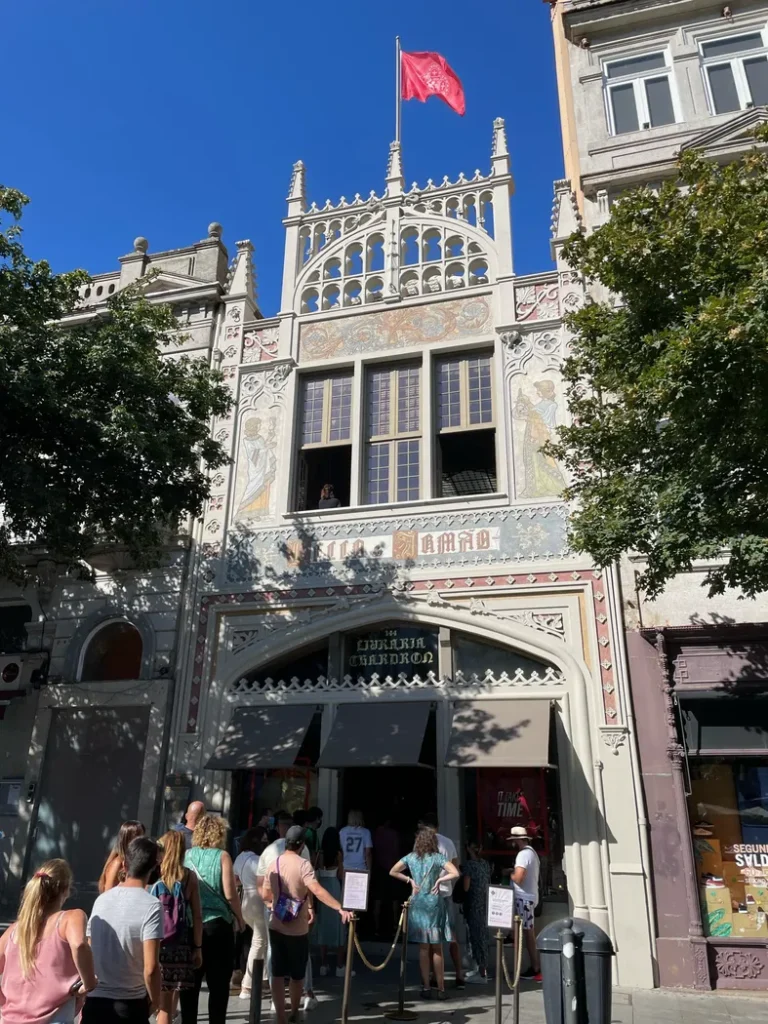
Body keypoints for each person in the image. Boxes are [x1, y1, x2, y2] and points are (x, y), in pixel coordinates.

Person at [261, 827, 352, 1024]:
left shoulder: (274, 863)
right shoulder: (304, 865)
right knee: (296, 974)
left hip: (276, 924)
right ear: (302, 845)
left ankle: (281, 1016)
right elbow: (317, 890)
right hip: (298, 928)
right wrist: (339, 907)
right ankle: (294, 1010)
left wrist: (276, 903)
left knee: (276, 973)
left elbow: (266, 895)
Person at [0, 859, 98, 1024]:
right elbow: (80, 945)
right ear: (66, 889)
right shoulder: (70, 918)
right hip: (53, 1019)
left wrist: (4, 1001)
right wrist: (89, 983)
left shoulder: (15, 930)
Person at [84, 837, 164, 1024]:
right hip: (130, 1003)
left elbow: (90, 947)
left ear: (124, 865)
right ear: (155, 867)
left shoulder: (101, 900)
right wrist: (155, 1000)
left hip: (95, 1002)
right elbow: (151, 968)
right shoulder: (152, 905)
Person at [181, 815, 245, 1024]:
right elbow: (229, 893)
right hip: (218, 925)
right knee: (218, 986)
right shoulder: (223, 856)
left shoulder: (187, 856)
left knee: (190, 985)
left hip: (191, 925)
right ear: (219, 834)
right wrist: (240, 917)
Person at [390, 828, 459, 1000]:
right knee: (437, 948)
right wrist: (440, 880)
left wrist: (410, 880)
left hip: (418, 903)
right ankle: (441, 988)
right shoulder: (437, 858)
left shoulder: (411, 858)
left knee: (423, 948)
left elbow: (393, 871)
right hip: (434, 904)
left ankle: (426, 986)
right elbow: (455, 872)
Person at [256, 812, 315, 1013]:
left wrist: (271, 904)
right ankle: (306, 995)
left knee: (275, 958)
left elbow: (261, 884)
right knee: (301, 959)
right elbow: (309, 884)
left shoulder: (269, 852)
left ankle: (277, 1005)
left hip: (274, 911)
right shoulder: (303, 853)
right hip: (297, 913)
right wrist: (310, 907)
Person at [149, 831, 203, 1024]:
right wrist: (198, 948)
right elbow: (197, 915)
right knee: (168, 1002)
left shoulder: (154, 873)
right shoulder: (188, 877)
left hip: (154, 941)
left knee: (153, 999)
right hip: (180, 943)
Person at [419, 813, 465, 988]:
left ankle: (432, 976)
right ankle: (459, 974)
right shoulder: (448, 842)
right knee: (451, 935)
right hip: (445, 892)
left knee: (430, 938)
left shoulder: (422, 843)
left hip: (429, 895)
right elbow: (456, 865)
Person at [233, 826, 269, 1001]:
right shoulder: (257, 860)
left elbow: (235, 880)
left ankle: (261, 979)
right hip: (257, 901)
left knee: (260, 940)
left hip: (244, 901)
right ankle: (247, 986)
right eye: (263, 839)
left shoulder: (240, 857)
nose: (266, 842)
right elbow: (266, 881)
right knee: (260, 941)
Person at [312, 827, 350, 978]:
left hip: (322, 887)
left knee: (323, 926)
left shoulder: (319, 854)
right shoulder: (338, 854)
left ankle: (323, 964)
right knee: (339, 926)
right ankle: (339, 965)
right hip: (334, 886)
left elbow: (314, 870)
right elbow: (341, 874)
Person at [507, 826, 542, 981]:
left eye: (514, 839)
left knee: (528, 934)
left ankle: (535, 967)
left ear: (518, 839)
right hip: (529, 896)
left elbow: (519, 877)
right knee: (526, 932)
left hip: (524, 898)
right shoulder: (532, 853)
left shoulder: (522, 855)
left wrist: (509, 873)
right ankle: (532, 967)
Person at [461, 839, 492, 983]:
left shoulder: (469, 866)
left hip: (473, 905)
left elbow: (466, 888)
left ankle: (480, 972)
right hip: (485, 904)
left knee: (475, 937)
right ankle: (482, 968)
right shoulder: (485, 864)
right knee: (483, 936)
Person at [373, 817, 402, 937]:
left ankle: (376, 927)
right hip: (392, 868)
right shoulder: (393, 834)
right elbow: (396, 851)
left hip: (379, 868)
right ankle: (396, 925)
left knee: (378, 899)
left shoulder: (376, 834)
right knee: (394, 899)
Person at [98, 820, 146, 893]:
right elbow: (108, 894)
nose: (142, 840)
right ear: (127, 839)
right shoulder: (118, 863)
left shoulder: (134, 863)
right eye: (137, 836)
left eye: (143, 836)